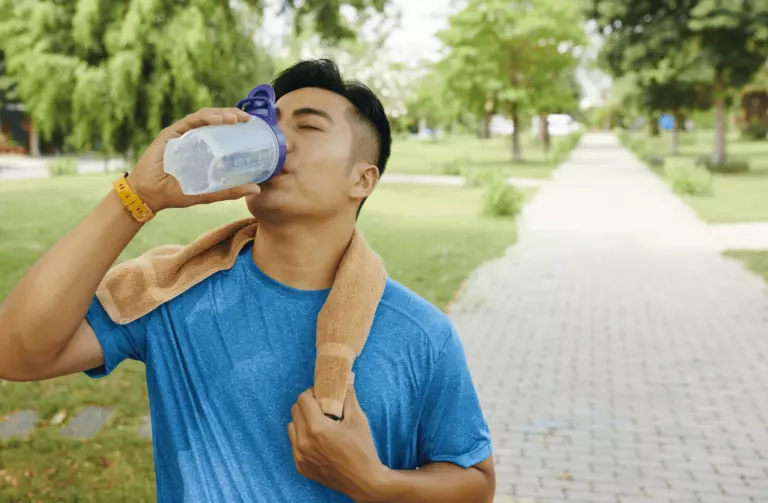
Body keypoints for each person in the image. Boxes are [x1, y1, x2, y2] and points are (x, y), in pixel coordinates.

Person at [0, 59, 495, 502]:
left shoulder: (420, 334)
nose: (277, 140)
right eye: (270, 124)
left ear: (362, 180)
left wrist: (376, 484)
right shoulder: (173, 291)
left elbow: (475, 482)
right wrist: (137, 196)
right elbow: (15, 352)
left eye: (308, 126)